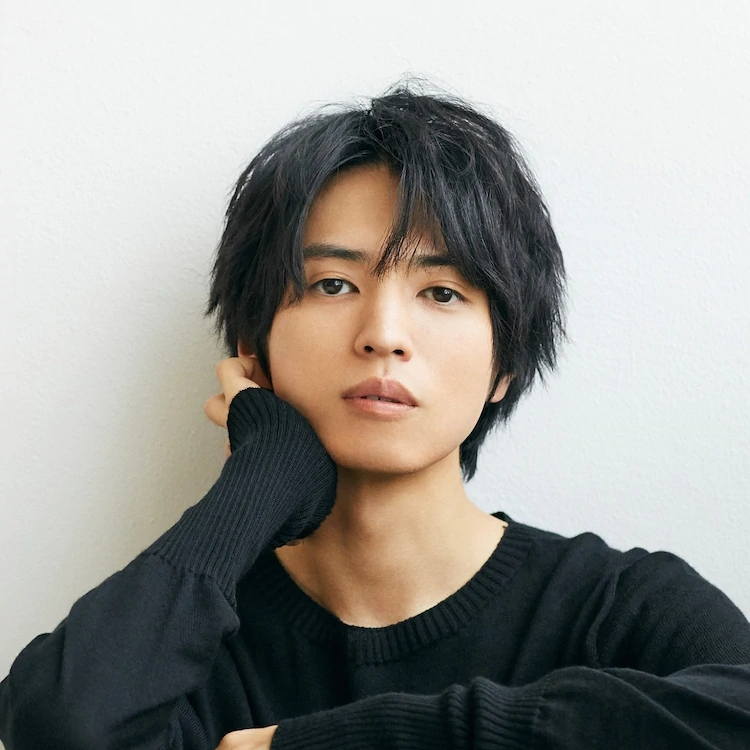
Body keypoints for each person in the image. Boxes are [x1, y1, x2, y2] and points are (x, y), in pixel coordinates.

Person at [1, 80, 749, 750]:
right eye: (332, 284)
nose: (384, 334)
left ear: (507, 364)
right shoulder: (183, 650)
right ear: (252, 349)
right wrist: (261, 478)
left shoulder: (617, 610)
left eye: (442, 293)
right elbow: (60, 730)